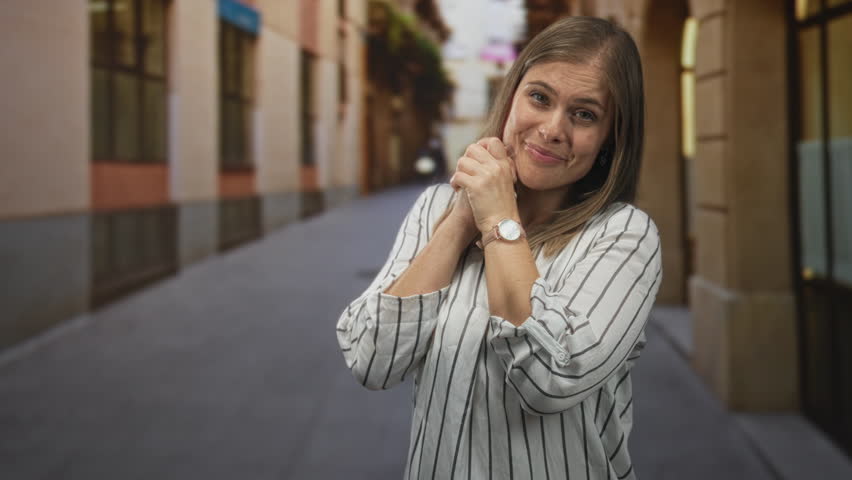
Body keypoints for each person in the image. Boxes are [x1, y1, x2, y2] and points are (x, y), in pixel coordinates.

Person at [336, 16, 661, 480]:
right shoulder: (437, 207)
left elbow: (548, 379)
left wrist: (498, 219)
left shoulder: (625, 236)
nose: (552, 128)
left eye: (585, 114)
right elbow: (372, 360)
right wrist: (459, 222)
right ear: (511, 98)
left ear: (612, 138)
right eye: (539, 98)